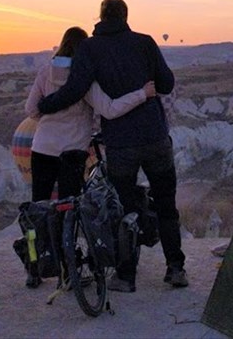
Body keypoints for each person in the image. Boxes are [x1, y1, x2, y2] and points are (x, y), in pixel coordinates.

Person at [38, 0, 186, 292]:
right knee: (166, 204)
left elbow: (75, 89)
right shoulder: (145, 42)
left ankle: (126, 276)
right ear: (125, 16)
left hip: (120, 144)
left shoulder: (90, 48)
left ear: (101, 16)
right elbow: (167, 84)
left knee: (124, 210)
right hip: (155, 137)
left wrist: (46, 105)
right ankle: (175, 268)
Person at [22, 25, 155, 289]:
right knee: (68, 213)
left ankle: (34, 269)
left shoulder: (45, 71)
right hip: (72, 152)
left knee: (38, 210)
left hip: (42, 149)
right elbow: (110, 109)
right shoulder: (85, 78)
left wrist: (53, 118)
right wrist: (143, 94)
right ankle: (67, 271)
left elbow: (31, 110)